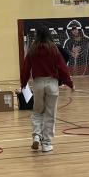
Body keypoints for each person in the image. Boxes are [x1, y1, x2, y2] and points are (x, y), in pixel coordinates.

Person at [20, 24, 74, 153]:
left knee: (37, 112)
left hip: (38, 83)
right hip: (52, 84)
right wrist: (69, 83)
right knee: (50, 114)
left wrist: (23, 83)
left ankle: (36, 136)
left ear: (36, 35)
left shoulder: (32, 50)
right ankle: (46, 143)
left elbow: (25, 68)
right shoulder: (54, 49)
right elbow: (62, 68)